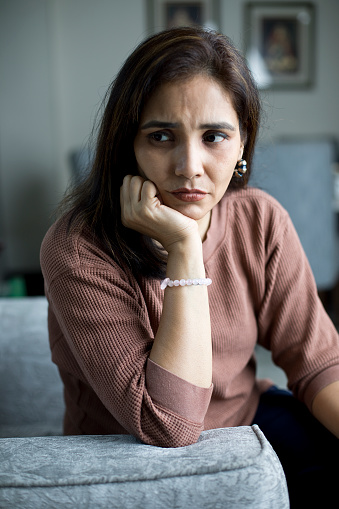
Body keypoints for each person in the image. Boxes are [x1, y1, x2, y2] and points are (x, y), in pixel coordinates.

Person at [40, 27, 339, 507]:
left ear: (242, 145)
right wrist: (184, 246)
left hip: (245, 421)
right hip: (125, 457)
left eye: (214, 136)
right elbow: (169, 423)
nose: (189, 165)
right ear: (127, 145)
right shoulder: (78, 247)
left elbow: (319, 363)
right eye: (161, 136)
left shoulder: (259, 219)